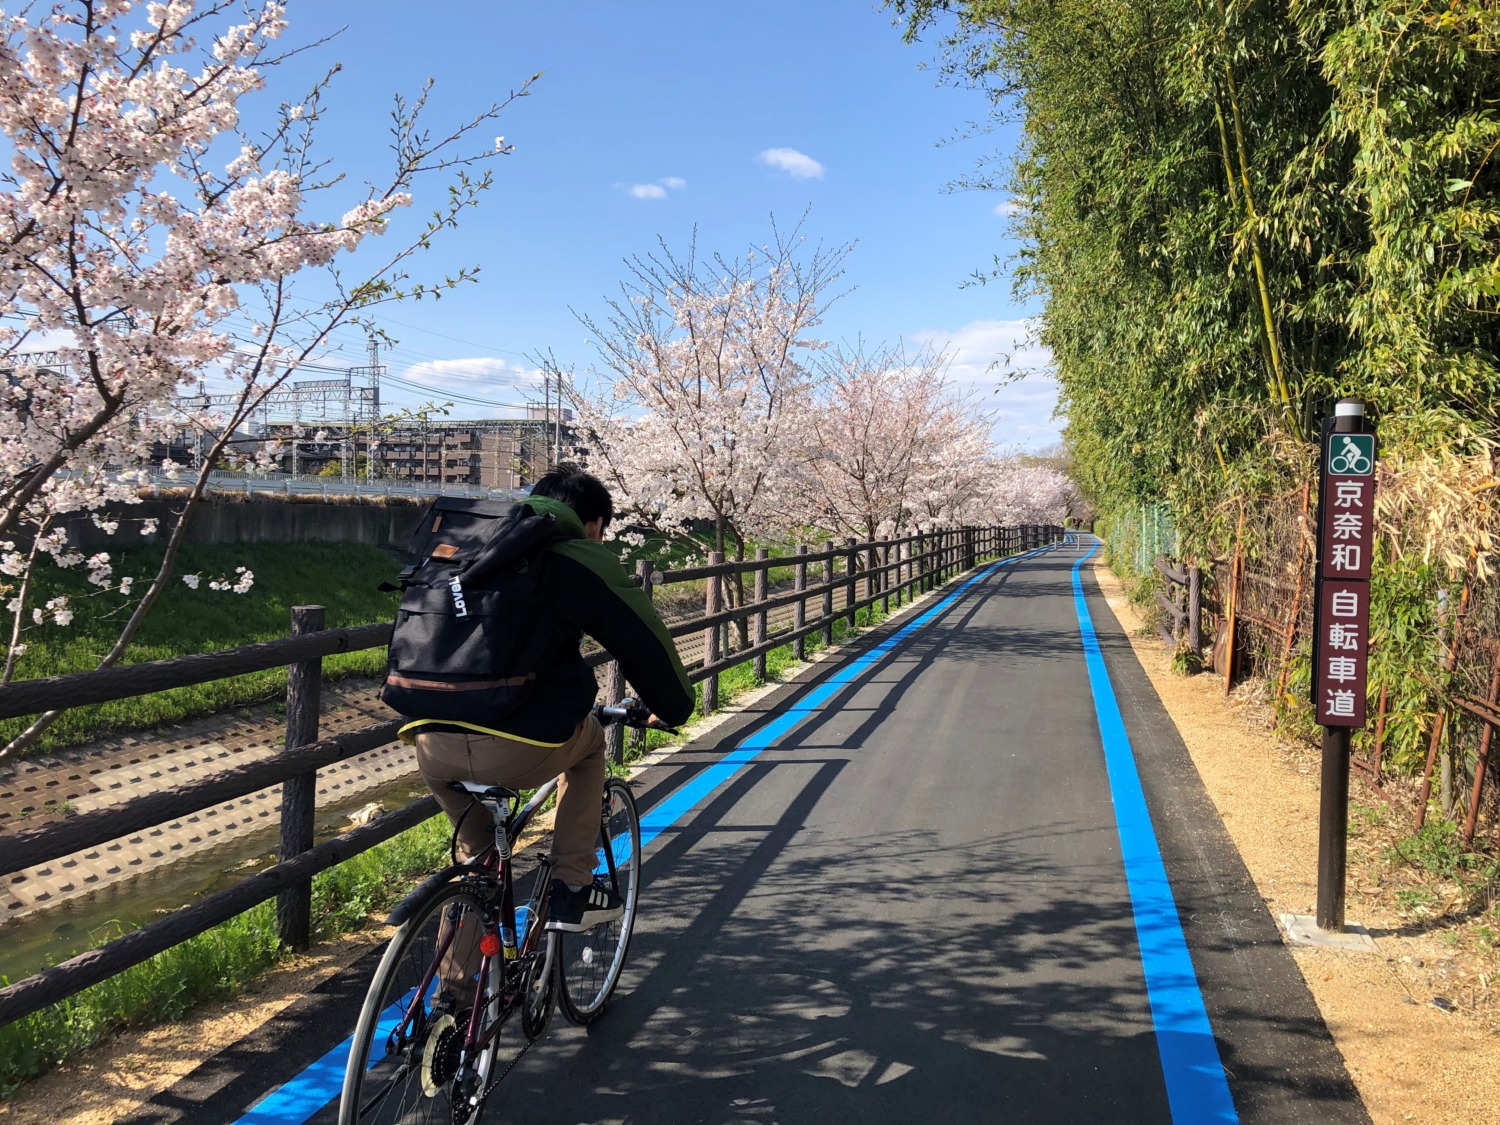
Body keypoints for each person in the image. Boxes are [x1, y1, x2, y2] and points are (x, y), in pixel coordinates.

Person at [398, 467, 694, 946]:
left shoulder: (464, 547)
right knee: (591, 743)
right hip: (519, 743)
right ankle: (572, 884)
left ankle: (453, 1007)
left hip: (430, 739)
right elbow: (643, 643)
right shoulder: (577, 555)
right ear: (593, 522)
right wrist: (674, 707)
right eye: (603, 529)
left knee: (476, 862)